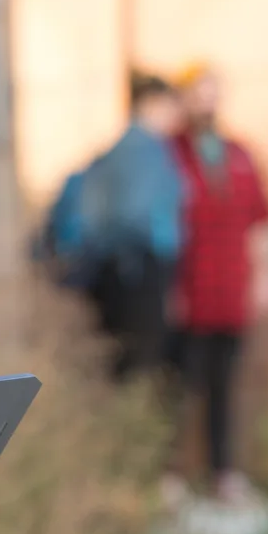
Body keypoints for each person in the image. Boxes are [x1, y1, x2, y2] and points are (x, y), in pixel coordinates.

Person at [166, 63, 268, 504]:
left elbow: (263, 221)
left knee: (224, 385)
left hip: (230, 291)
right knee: (180, 384)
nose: (207, 102)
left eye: (214, 93)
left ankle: (224, 472)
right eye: (200, 93)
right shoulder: (171, 153)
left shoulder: (240, 155)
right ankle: (171, 475)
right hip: (189, 290)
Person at [71, 73, 188, 380]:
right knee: (141, 362)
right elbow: (134, 213)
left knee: (124, 360)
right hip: (140, 268)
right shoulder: (144, 149)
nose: (176, 114)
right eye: (170, 105)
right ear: (149, 104)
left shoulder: (122, 147)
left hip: (120, 269)